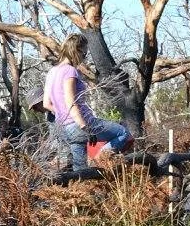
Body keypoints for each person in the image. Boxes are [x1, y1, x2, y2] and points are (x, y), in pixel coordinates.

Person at [42, 34, 130, 172]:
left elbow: (46, 104)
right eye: (84, 54)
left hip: (62, 127)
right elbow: (71, 102)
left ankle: (87, 177)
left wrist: (63, 114)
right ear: (76, 50)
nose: (84, 57)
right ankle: (100, 160)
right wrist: (84, 126)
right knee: (122, 133)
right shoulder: (70, 71)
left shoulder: (52, 72)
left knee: (79, 169)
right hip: (81, 124)